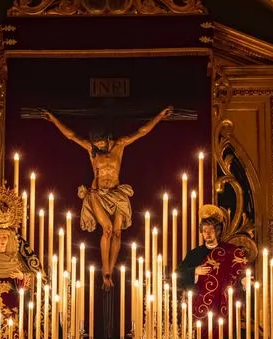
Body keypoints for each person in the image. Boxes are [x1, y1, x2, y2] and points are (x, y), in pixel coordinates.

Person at [40, 106, 173, 288]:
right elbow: (71, 136)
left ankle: (111, 269)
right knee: (108, 229)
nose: (98, 146)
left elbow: (142, 132)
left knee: (118, 233)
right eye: (96, 143)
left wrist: (159, 116)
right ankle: (106, 270)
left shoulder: (120, 145)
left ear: (108, 139)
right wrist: (54, 119)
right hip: (98, 194)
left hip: (117, 193)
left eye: (101, 143)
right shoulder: (92, 149)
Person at [176, 204, 248, 339]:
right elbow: (178, 275)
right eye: (204, 230)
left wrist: (244, 280)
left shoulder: (229, 252)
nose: (207, 233)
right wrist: (195, 271)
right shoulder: (195, 254)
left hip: (224, 309)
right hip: (201, 310)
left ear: (217, 231)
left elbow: (240, 270)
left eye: (211, 230)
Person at [0, 226, 39, 309]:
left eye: (4, 237)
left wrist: (21, 277)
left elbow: (29, 280)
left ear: (9, 239)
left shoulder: (16, 259)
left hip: (11, 300)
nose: (2, 240)